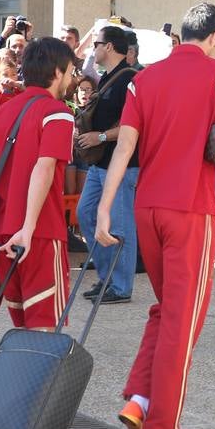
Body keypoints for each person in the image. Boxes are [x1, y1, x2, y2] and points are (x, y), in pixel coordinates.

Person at [94, 2, 215, 429]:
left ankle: (140, 399)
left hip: (147, 204)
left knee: (167, 310)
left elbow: (125, 146)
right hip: (189, 208)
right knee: (184, 319)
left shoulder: (143, 78)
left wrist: (105, 209)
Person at [0, 37, 78, 331]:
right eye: (70, 71)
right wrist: (28, 227)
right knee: (45, 329)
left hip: (1, 232)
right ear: (57, 72)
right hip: (39, 231)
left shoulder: (1, 113)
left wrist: (2, 194)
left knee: (22, 325)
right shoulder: (58, 112)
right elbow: (45, 167)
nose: (71, 78)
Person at [75, 26, 140, 305]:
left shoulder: (131, 79)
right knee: (86, 213)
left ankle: (121, 285)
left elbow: (136, 125)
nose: (94, 49)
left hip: (123, 163)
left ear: (110, 47)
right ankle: (107, 277)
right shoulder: (106, 78)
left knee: (121, 224)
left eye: (97, 44)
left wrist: (99, 136)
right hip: (101, 162)